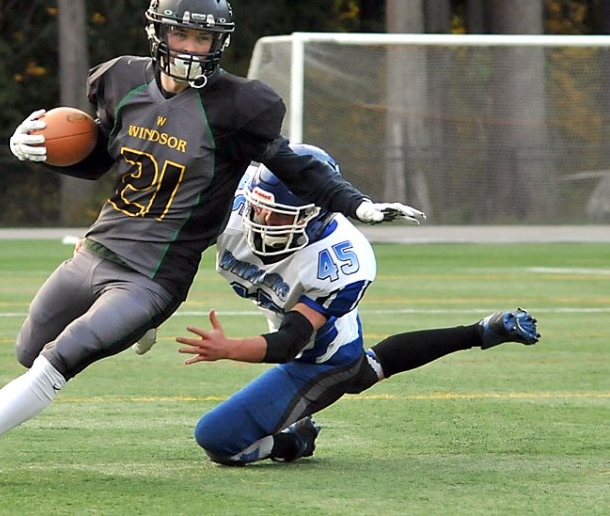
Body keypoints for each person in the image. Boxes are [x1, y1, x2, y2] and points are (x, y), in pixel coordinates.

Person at [0, 0, 423, 487]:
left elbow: (296, 167)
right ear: (158, 32)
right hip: (97, 249)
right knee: (28, 353)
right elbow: (99, 161)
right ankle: (134, 331)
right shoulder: (119, 79)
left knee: (58, 360)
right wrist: (38, 154)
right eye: (182, 35)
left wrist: (356, 203)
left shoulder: (239, 106)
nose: (190, 48)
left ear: (218, 43)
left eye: (203, 39)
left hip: (154, 276)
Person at [175, 144, 540, 465]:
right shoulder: (237, 202)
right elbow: (175, 244)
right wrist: (151, 305)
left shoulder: (341, 261)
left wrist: (228, 349)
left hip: (320, 356)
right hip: (301, 332)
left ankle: (293, 442)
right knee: (364, 373)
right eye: (261, 207)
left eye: (281, 214)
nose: (265, 219)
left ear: (313, 215)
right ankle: (482, 331)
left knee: (219, 439)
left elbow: (290, 343)